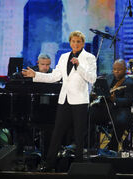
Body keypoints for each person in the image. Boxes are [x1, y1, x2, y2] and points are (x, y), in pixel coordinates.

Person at [22, 30, 97, 171]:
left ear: (82, 43)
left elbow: (92, 78)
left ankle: (79, 166)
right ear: (70, 43)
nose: (75, 44)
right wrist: (35, 75)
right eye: (73, 41)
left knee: (79, 135)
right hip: (64, 100)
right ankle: (49, 164)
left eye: (78, 42)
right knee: (57, 132)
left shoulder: (89, 58)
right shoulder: (63, 57)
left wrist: (78, 66)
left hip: (80, 101)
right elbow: (54, 76)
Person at [90, 59, 133, 152]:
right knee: (90, 113)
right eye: (114, 69)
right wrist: (97, 94)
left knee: (120, 120)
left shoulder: (130, 83)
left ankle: (112, 147)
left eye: (119, 69)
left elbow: (129, 101)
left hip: (121, 109)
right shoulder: (109, 78)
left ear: (125, 69)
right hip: (107, 108)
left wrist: (115, 99)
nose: (116, 71)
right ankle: (91, 145)